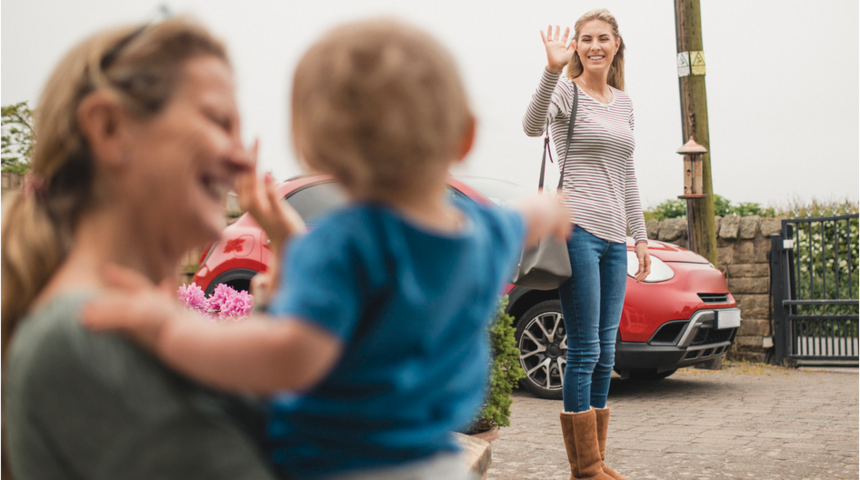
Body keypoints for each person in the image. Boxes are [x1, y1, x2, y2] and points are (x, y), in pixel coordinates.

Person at [82, 18, 571, 480]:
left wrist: (167, 329)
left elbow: (290, 356)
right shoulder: (483, 231)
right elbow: (528, 217)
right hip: (432, 460)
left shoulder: (341, 244)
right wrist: (550, 210)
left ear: (311, 148)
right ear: (465, 136)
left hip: (333, 462)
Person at [1, 16, 278, 480]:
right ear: (110, 128)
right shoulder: (82, 337)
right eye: (217, 121)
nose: (242, 157)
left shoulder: (133, 324)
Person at [522, 9, 652, 480]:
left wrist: (639, 235)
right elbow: (532, 126)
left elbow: (627, 174)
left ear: (617, 45)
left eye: (604, 38)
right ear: (576, 46)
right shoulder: (564, 90)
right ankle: (586, 468)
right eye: (586, 39)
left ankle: (594, 461)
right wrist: (551, 68)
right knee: (583, 350)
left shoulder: (624, 103)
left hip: (615, 237)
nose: (595, 46)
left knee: (606, 351)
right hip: (576, 230)